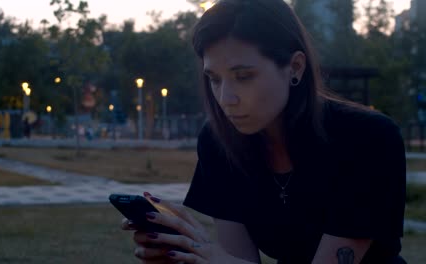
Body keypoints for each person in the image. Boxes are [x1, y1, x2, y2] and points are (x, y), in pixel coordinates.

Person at [121, 0, 406, 263]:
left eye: (243, 77)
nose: (226, 98)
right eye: (214, 79)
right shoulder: (218, 141)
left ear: (295, 67)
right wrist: (191, 252)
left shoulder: (367, 138)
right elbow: (240, 260)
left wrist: (208, 254)